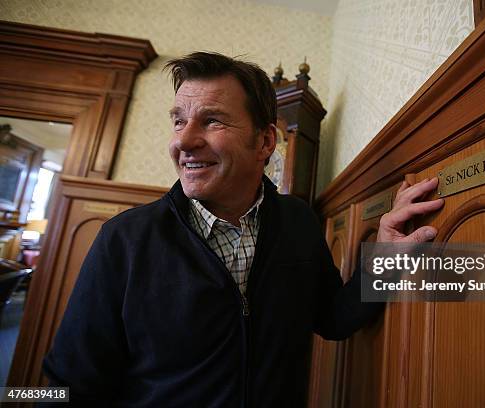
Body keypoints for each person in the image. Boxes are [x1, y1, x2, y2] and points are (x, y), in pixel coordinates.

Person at [43, 52, 444, 407]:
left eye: (211, 120)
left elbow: (334, 320)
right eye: (178, 121)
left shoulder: (299, 222)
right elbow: (67, 386)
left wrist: (384, 262)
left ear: (266, 141)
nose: (183, 140)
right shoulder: (124, 239)